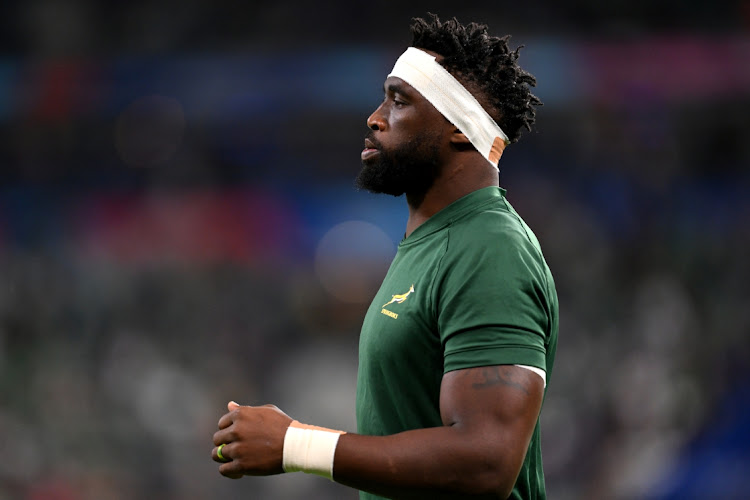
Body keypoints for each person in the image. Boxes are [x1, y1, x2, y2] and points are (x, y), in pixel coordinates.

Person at [212, 13, 558, 500]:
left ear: (461, 131)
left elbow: (486, 461)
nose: (375, 118)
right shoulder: (437, 242)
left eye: (399, 101)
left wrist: (296, 445)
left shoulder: (489, 249)